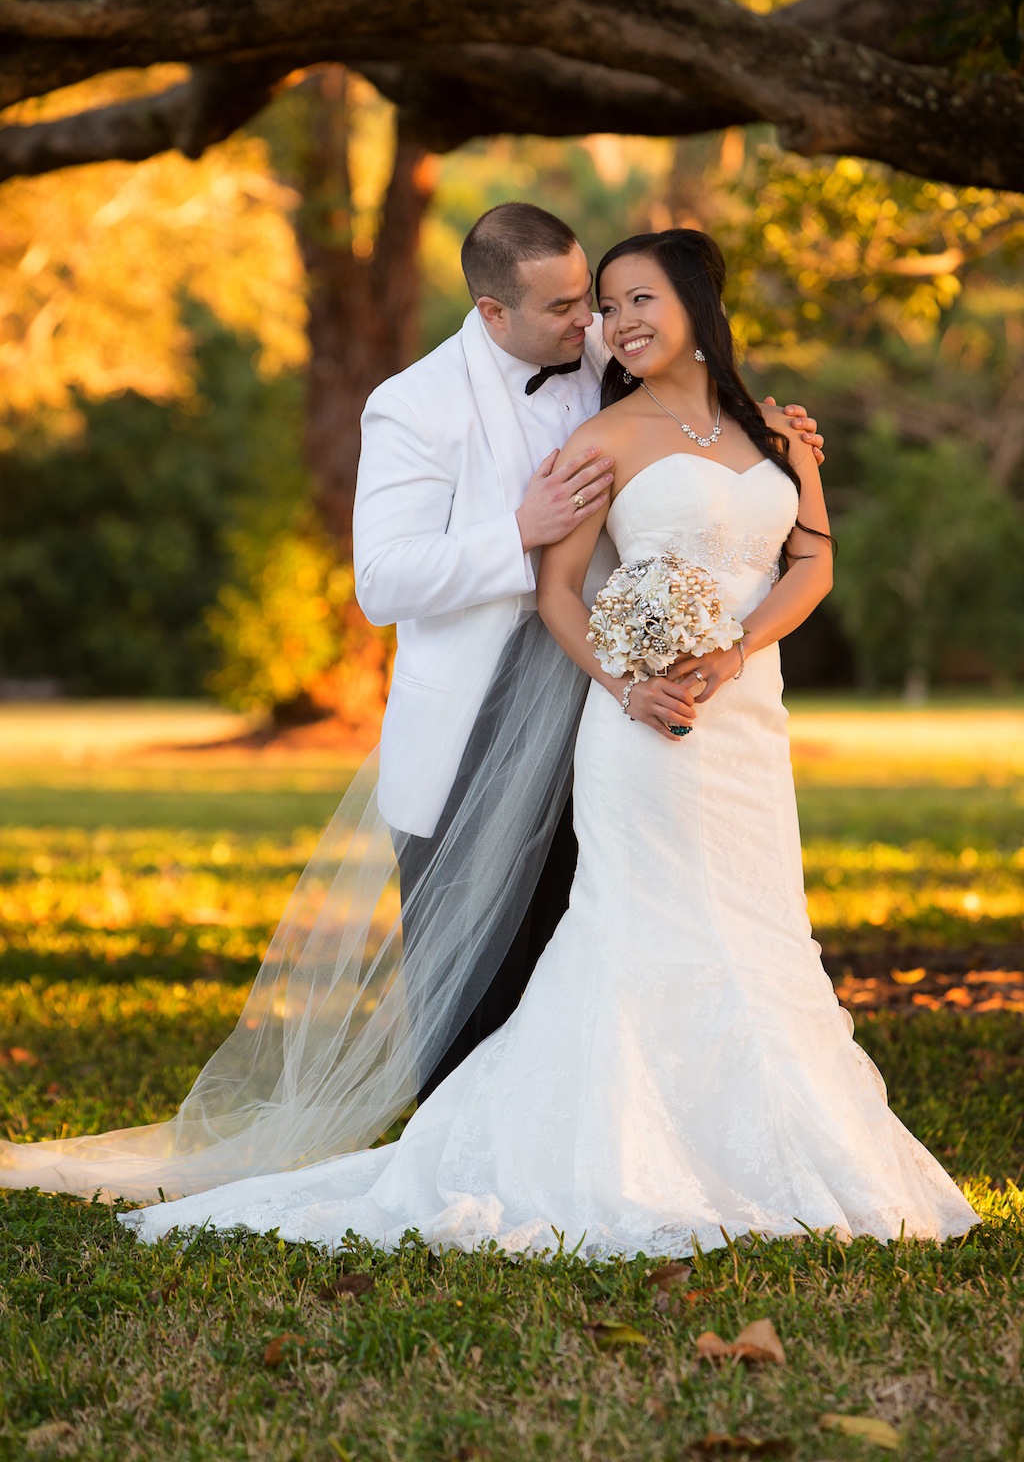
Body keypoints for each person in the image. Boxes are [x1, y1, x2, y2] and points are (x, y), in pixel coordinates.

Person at [118, 228, 979, 1258]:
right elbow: (553, 588)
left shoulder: (772, 432)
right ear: (501, 311)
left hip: (746, 727)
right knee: (636, 934)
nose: (610, 325)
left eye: (631, 300)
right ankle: (598, 1157)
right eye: (600, 307)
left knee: (761, 931)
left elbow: (811, 562)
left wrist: (734, 652)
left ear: (700, 303)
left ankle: (763, 1150)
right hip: (637, 728)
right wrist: (626, 681)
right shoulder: (587, 432)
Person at [0, 205, 823, 1207]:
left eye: (594, 301)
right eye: (568, 307)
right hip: (483, 703)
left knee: (599, 927)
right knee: (470, 964)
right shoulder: (413, 404)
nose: (592, 326)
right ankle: (463, 1174)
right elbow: (381, 582)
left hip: (616, 701)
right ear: (492, 307)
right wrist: (515, 529)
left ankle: (630, 1143)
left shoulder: (607, 343)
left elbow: (685, 372)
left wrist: (780, 445)